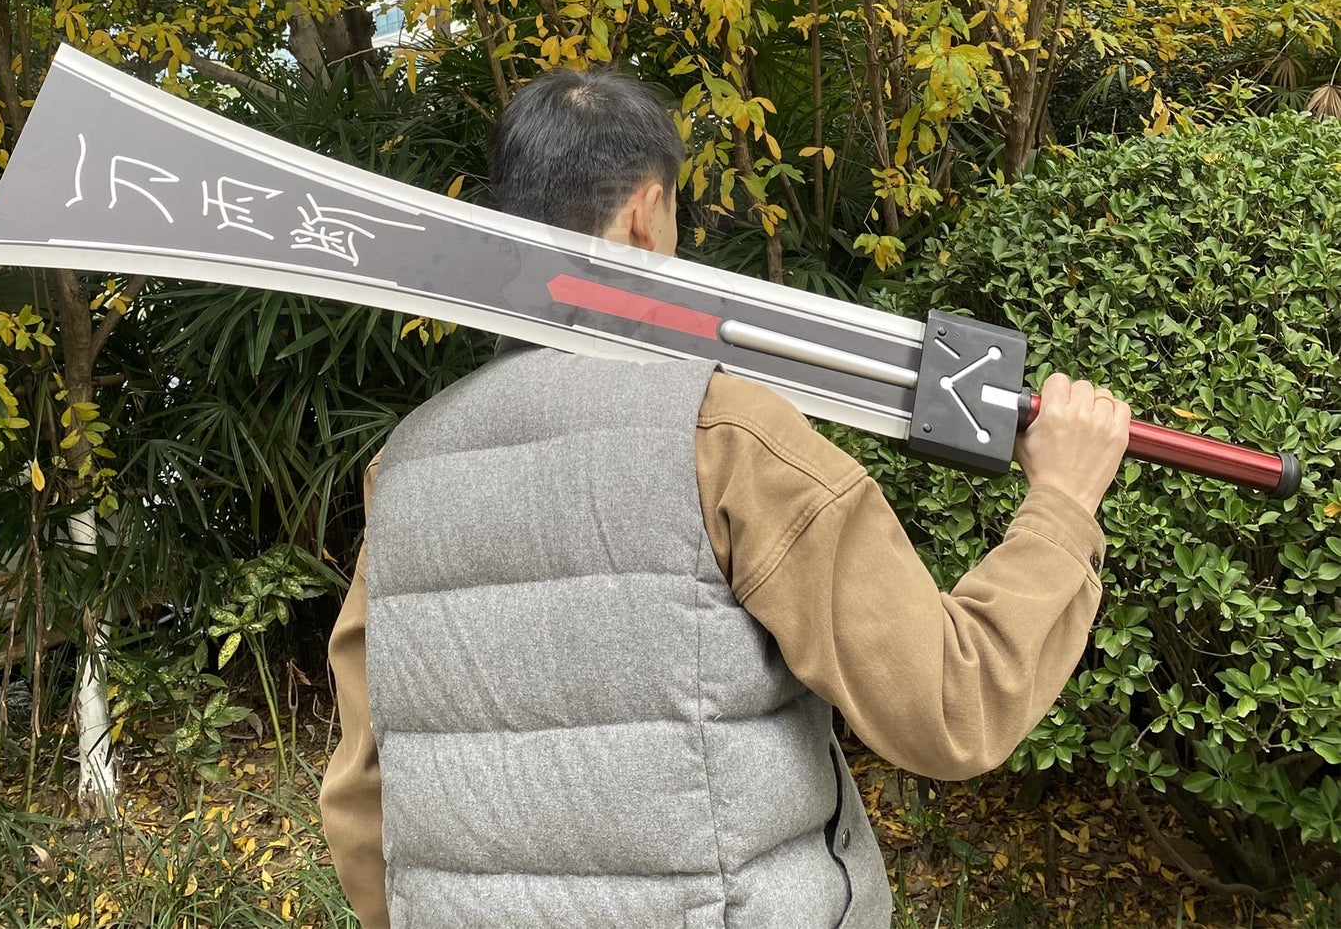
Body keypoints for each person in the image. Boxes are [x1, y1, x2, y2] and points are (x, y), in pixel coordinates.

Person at [319, 67, 1131, 929]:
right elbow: (948, 703)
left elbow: (362, 797)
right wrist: (1062, 505)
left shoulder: (402, 468)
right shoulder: (723, 432)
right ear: (642, 213)